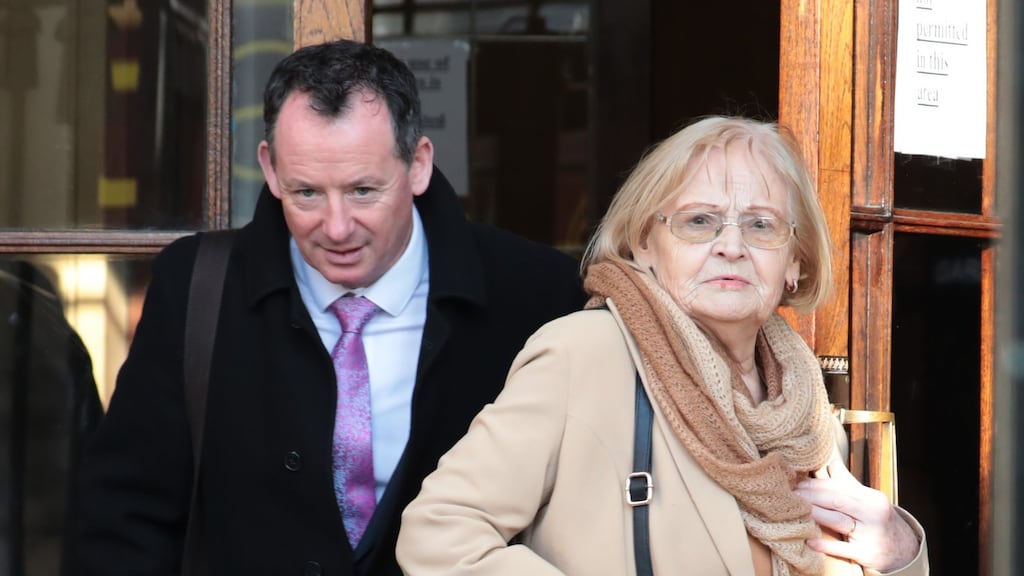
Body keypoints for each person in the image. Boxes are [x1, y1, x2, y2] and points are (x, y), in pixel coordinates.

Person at [74, 39, 585, 575]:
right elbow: (124, 516)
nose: (337, 229)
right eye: (307, 194)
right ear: (270, 170)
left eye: (363, 191)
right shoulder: (195, 287)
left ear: (418, 165)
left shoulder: (537, 293)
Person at [396, 116, 929, 575]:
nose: (731, 246)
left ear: (794, 260)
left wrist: (900, 553)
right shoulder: (585, 354)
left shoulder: (801, 405)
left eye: (761, 224)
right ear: (644, 244)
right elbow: (440, 532)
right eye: (699, 221)